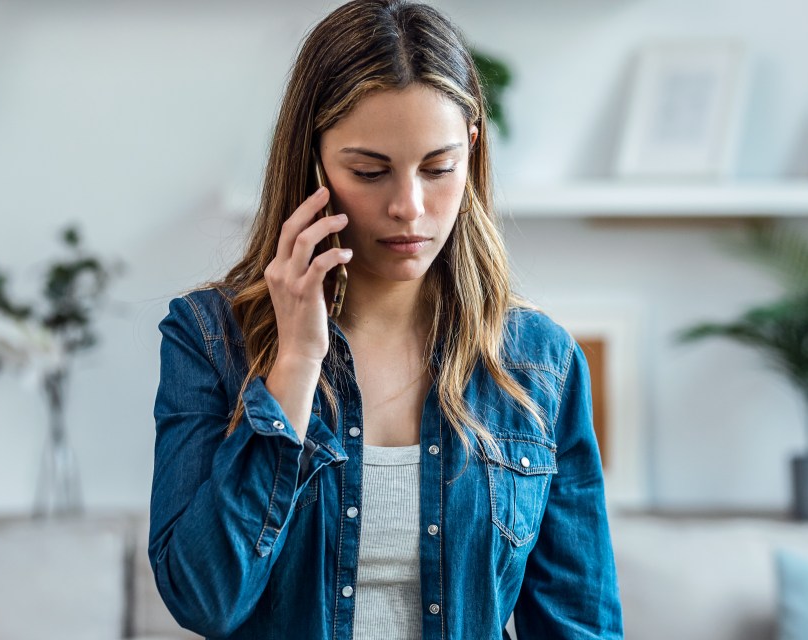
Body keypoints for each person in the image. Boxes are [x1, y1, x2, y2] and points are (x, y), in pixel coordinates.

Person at [149, 1, 623, 638]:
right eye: (369, 172)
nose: (409, 206)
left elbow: (579, 624)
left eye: (438, 168)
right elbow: (205, 599)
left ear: (472, 151)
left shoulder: (539, 360)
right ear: (311, 160)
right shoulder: (209, 340)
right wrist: (294, 366)